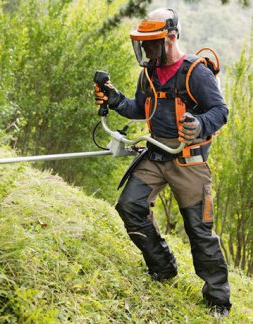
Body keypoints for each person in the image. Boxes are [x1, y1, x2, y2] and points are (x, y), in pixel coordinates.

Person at [94, 8, 231, 318]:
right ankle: (163, 267)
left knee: (200, 230)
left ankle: (218, 299)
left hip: (188, 160)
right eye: (144, 45)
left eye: (153, 44)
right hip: (155, 154)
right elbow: (141, 108)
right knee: (129, 206)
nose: (147, 51)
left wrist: (199, 124)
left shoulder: (197, 71)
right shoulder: (149, 73)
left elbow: (220, 112)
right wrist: (115, 100)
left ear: (171, 38)